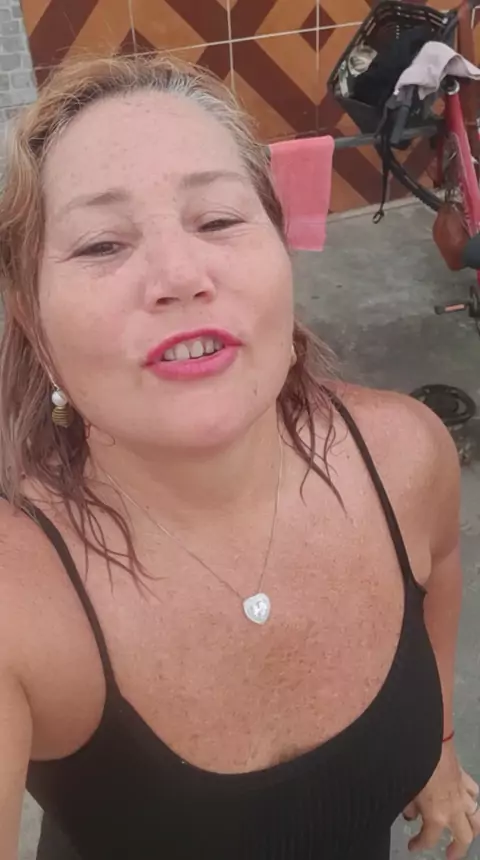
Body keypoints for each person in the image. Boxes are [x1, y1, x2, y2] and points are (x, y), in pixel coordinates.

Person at [0, 52, 478, 860]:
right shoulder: (18, 601)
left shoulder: (406, 455)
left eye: (219, 220)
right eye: (102, 244)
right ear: (32, 323)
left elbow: (440, 577)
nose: (181, 274)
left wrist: (437, 748)